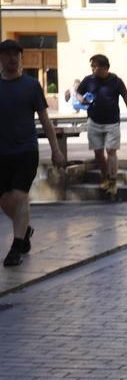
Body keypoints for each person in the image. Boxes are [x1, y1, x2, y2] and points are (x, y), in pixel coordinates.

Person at [1, 40, 66, 267]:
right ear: (1, 58)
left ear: (21, 57)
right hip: (2, 153)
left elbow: (46, 121)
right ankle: (25, 229)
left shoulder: (31, 86)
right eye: (6, 54)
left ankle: (16, 248)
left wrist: (56, 151)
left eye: (15, 55)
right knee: (5, 202)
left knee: (19, 198)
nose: (11, 58)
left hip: (25, 151)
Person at [75, 54, 127, 198]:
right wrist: (81, 99)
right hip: (94, 121)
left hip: (112, 122)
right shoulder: (88, 80)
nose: (93, 69)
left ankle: (113, 181)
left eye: (95, 66)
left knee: (111, 151)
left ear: (105, 67)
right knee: (98, 153)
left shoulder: (116, 81)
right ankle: (105, 177)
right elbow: (78, 92)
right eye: (92, 66)